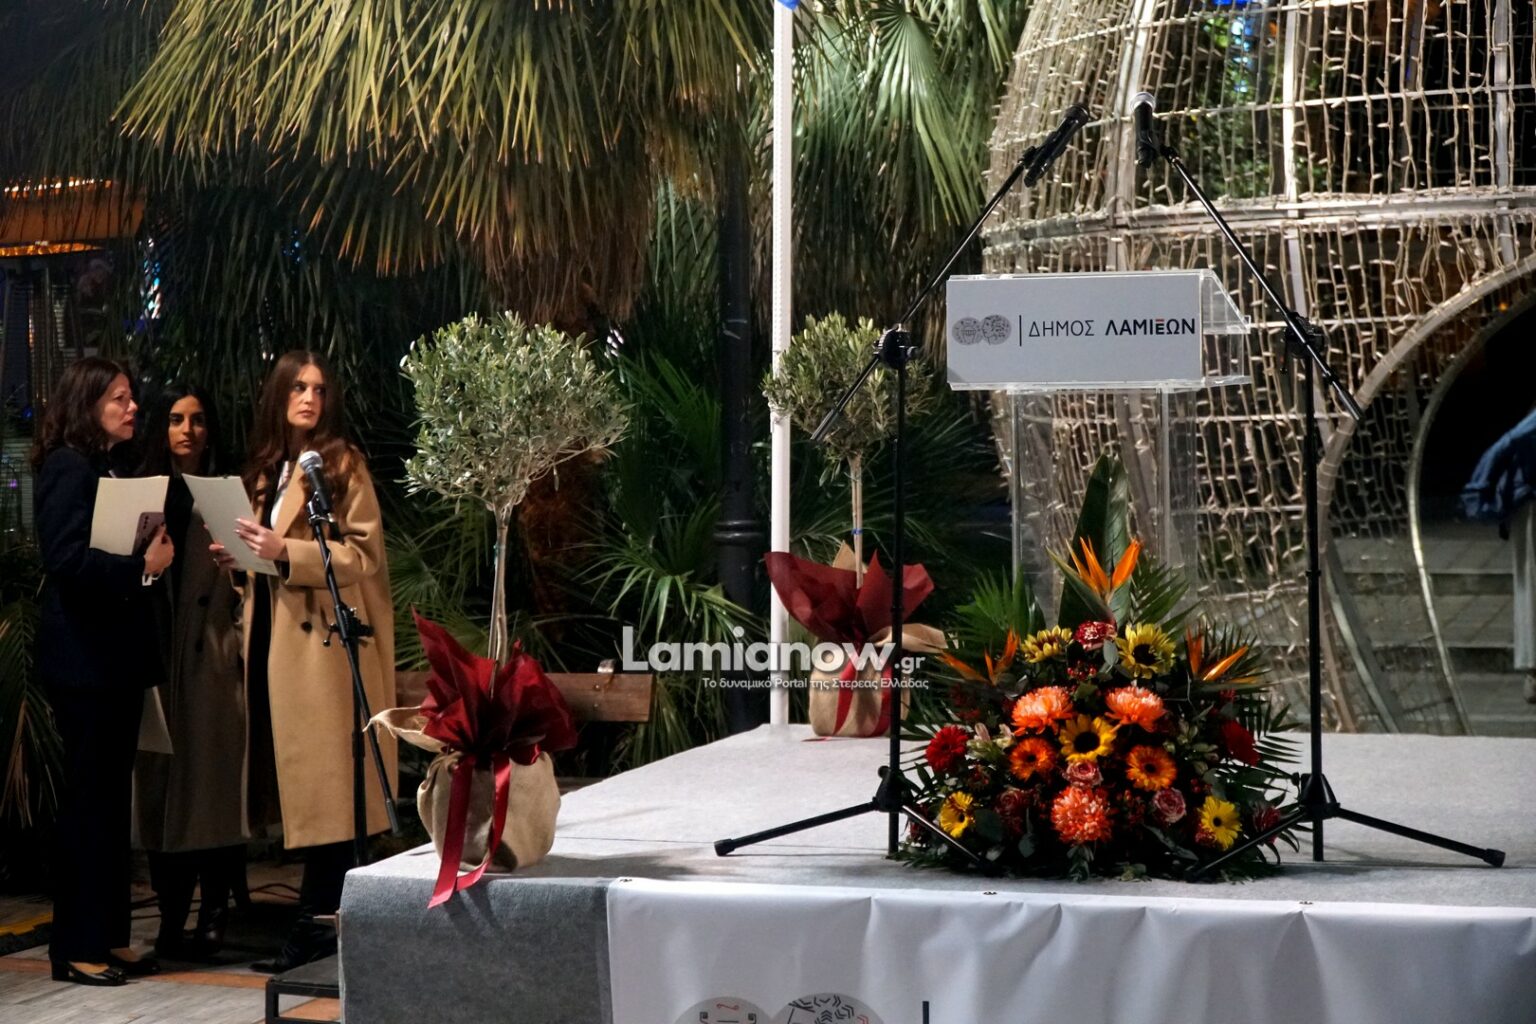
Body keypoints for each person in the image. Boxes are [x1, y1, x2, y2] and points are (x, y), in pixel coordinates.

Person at [213, 350, 396, 972]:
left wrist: (284, 551)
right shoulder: (267, 472)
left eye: (318, 388)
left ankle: (314, 925)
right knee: (307, 787)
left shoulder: (341, 465)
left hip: (325, 650)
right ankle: (320, 923)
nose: (309, 398)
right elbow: (267, 559)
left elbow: (363, 557)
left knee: (330, 793)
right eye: (297, 387)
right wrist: (242, 563)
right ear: (278, 395)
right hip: (275, 641)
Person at [30, 358, 175, 986]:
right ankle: (76, 946)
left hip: (112, 661)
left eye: (131, 397)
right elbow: (63, 559)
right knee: (89, 805)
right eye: (118, 398)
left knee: (113, 806)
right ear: (87, 403)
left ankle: (109, 936)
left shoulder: (105, 466)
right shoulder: (67, 466)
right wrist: (141, 568)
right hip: (83, 663)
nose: (132, 406)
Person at [133, 384, 249, 960]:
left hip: (213, 653)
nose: (188, 430)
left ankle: (214, 913)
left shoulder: (227, 491)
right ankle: (172, 916)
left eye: (198, 420)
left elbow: (251, 573)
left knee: (214, 791)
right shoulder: (145, 491)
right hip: (158, 657)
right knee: (160, 794)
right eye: (177, 419)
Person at [1462, 405, 1536, 704]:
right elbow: (1508, 442)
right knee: (1530, 584)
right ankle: (1533, 670)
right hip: (1531, 503)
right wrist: (1478, 490)